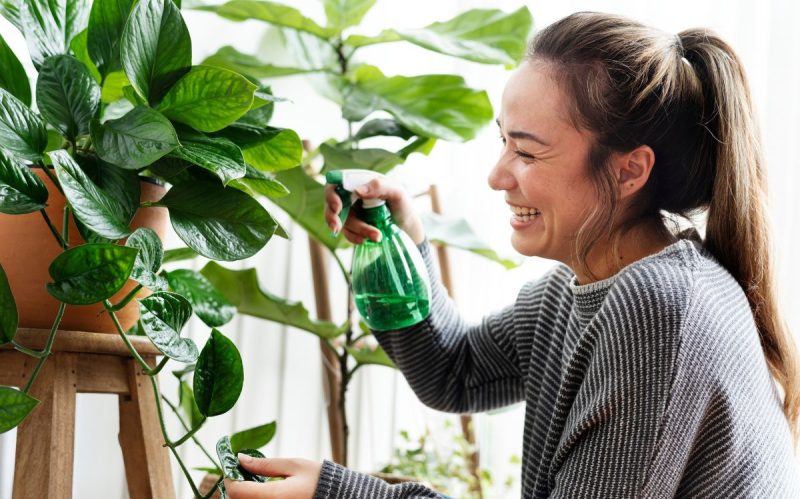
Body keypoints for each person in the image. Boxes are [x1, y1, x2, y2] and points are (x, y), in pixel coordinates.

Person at [225, 11, 800, 499]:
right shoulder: (572, 291)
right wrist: (404, 239)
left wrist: (340, 490)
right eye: (504, 140)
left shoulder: (664, 309)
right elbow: (454, 372)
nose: (498, 175)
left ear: (629, 170)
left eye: (526, 151)